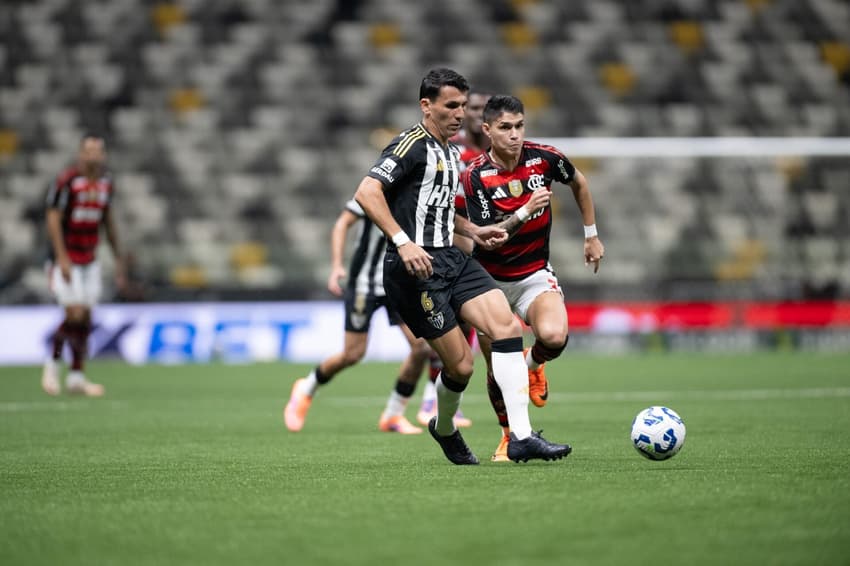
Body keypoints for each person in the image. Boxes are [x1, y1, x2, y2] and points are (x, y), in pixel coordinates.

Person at [353, 67, 572, 464]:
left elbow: (437, 209)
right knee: (461, 367)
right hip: (415, 271)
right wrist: (403, 243)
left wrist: (475, 229)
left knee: (506, 328)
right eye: (451, 106)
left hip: (452, 258)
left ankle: (520, 437)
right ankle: (444, 426)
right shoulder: (409, 146)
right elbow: (367, 192)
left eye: (463, 106)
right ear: (427, 105)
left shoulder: (452, 152)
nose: (460, 114)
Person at [462, 94, 605, 461]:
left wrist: (590, 235)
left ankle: (532, 364)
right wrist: (526, 212)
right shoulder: (476, 176)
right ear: (488, 130)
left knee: (555, 337)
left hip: (534, 274)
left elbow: (580, 183)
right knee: (496, 369)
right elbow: (489, 239)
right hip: (487, 281)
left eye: (520, 126)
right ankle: (509, 438)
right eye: (506, 128)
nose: (515, 135)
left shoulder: (545, 158)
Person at [283, 198, 431, 434]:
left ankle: (393, 415)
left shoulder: (416, 194)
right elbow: (342, 223)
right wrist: (337, 265)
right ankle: (306, 387)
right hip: (364, 285)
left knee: (421, 346)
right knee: (353, 354)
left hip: (398, 283)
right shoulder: (375, 190)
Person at [415, 89, 492, 428]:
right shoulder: (452, 149)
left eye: (478, 109)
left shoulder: (498, 153)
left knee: (474, 332)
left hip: (483, 247)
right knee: (452, 333)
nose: (473, 114)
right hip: (452, 250)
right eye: (469, 107)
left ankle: (440, 402)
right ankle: (433, 401)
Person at [41, 134, 126, 397]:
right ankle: (52, 366)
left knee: (87, 317)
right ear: (80, 154)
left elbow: (107, 221)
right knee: (74, 313)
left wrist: (117, 258)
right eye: (87, 151)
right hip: (66, 258)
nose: (92, 156)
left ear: (103, 155)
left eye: (97, 151)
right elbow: (53, 218)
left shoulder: (106, 184)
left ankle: (77, 376)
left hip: (90, 258)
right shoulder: (67, 181)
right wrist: (61, 257)